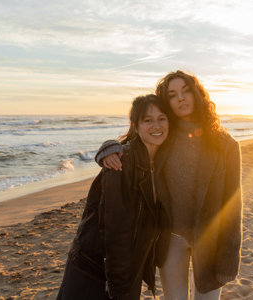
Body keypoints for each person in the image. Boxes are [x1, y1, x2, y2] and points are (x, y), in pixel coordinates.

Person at [95, 70, 243, 300]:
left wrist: (229, 260)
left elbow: (233, 207)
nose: (181, 98)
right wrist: (107, 149)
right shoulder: (163, 134)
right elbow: (131, 146)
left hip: (211, 240)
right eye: (173, 95)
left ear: (197, 95)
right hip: (171, 237)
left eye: (186, 91)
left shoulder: (226, 145)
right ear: (167, 102)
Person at [57, 94, 169, 300]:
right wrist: (119, 286)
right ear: (135, 125)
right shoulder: (120, 163)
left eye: (162, 118)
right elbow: (115, 230)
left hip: (127, 269)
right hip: (94, 266)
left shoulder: (162, 163)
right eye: (148, 120)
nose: (156, 125)